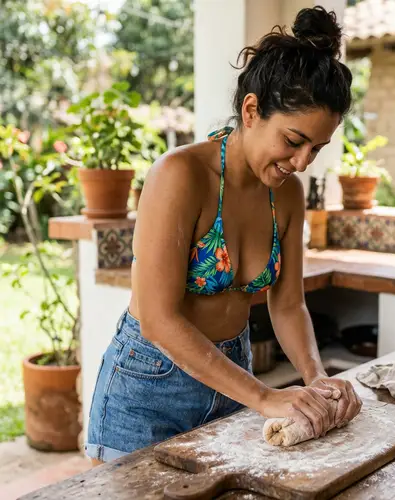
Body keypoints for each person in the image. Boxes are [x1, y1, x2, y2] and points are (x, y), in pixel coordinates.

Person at [86, 5, 362, 465]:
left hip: (233, 380)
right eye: (294, 141)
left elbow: (288, 304)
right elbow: (156, 318)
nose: (302, 162)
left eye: (317, 148)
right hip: (148, 391)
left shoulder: (287, 196)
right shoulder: (180, 175)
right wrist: (266, 397)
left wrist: (316, 376)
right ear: (251, 110)